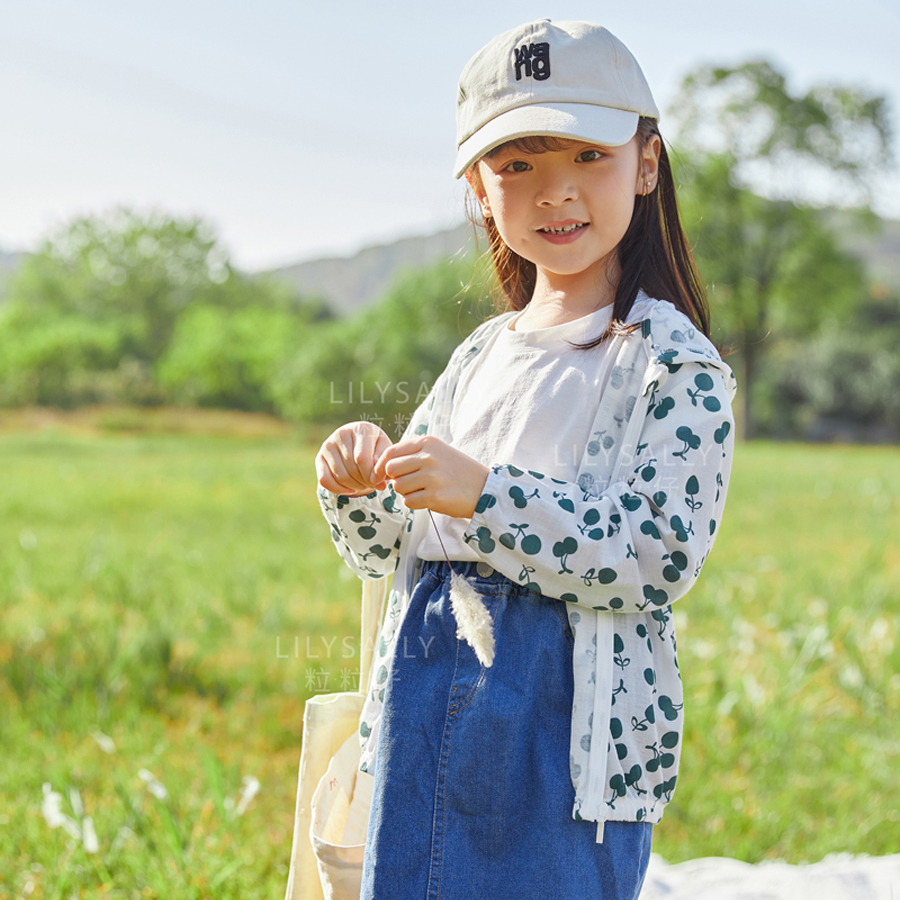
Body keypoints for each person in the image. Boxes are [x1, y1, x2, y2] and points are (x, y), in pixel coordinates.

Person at [314, 19, 737, 900]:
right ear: (479, 187)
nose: (555, 192)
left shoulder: (672, 363)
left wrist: (490, 497)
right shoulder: (482, 353)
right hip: (428, 677)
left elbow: (655, 555)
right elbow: (391, 548)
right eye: (518, 165)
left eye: (588, 156)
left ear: (646, 164)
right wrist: (362, 489)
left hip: (565, 713)